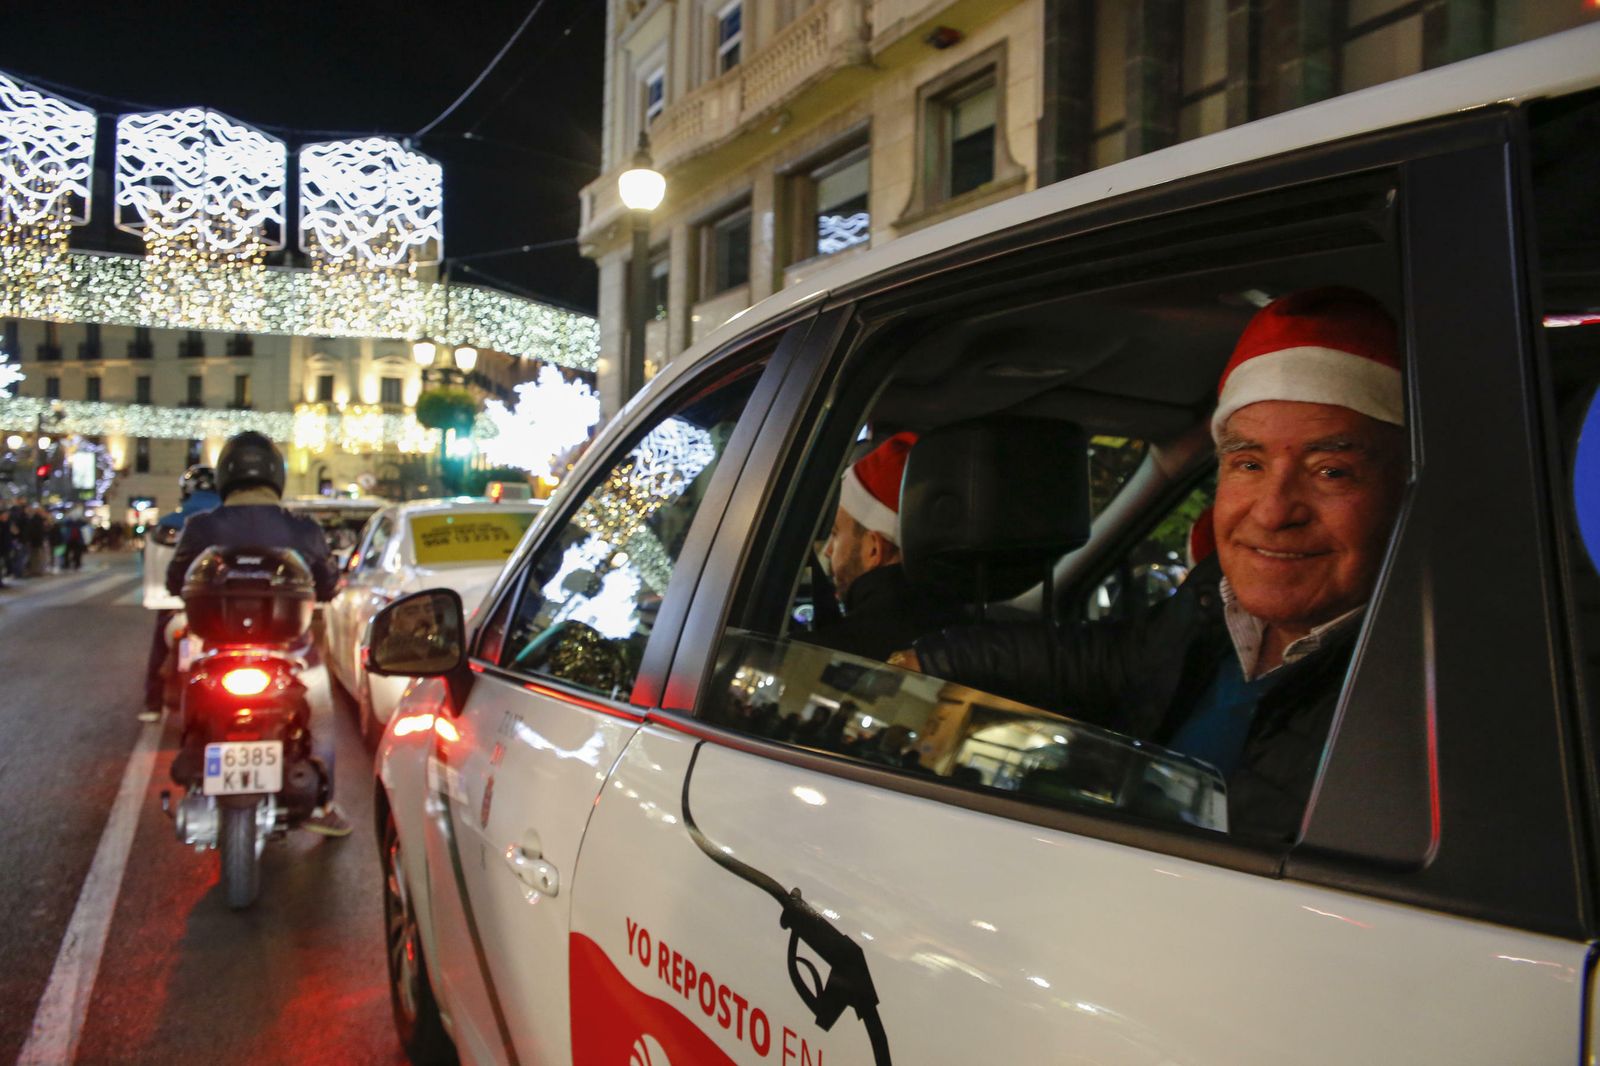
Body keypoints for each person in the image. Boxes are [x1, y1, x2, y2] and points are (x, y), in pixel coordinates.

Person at [902, 287, 1408, 841]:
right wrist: (926, 660)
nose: (1272, 511)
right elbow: (1120, 658)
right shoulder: (1216, 597)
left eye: (1330, 470)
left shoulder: (1422, 691)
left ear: (1405, 489)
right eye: (1247, 463)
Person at [165, 433, 349, 837]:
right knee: (321, 717)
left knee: (186, 674)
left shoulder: (200, 526)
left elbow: (174, 580)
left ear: (227, 474)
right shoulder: (302, 528)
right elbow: (328, 585)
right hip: (290, 651)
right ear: (275, 475)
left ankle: (190, 742)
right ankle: (324, 804)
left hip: (216, 649)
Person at [805, 432, 966, 662]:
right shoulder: (971, 642)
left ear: (874, 549)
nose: (828, 551)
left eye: (836, 535)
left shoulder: (824, 655)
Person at [141, 466, 222, 723]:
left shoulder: (169, 525)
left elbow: (158, 568)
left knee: (160, 643)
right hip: (217, 600)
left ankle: (152, 703)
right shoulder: (226, 520)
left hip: (177, 599)